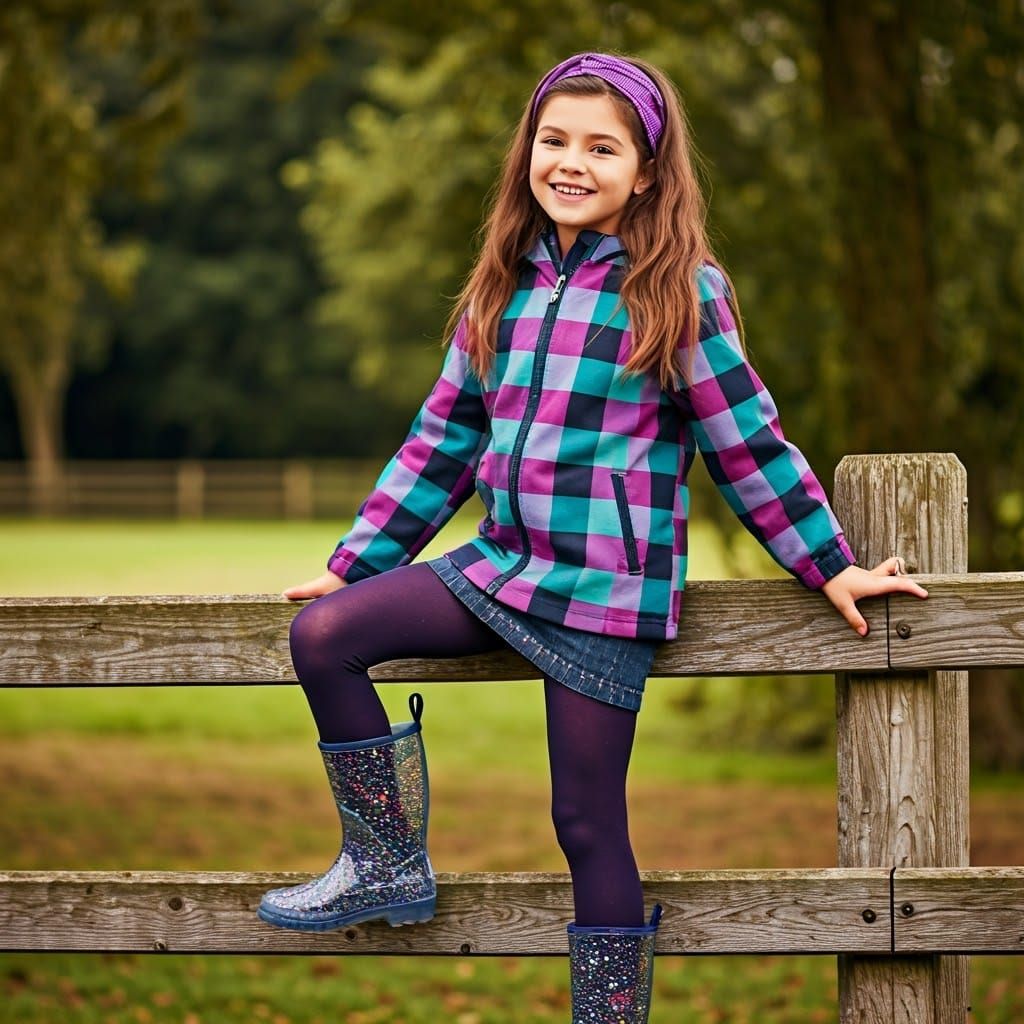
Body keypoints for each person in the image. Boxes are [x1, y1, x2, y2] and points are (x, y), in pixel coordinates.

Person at [258, 51, 929, 1023]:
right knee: (323, 636)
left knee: (583, 822)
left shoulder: (678, 289)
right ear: (528, 151)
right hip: (500, 564)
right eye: (554, 140)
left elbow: (746, 439)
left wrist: (828, 563)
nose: (570, 162)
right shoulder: (501, 287)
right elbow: (441, 440)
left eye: (600, 147)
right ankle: (383, 862)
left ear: (646, 169)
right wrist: (354, 565)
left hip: (607, 591)